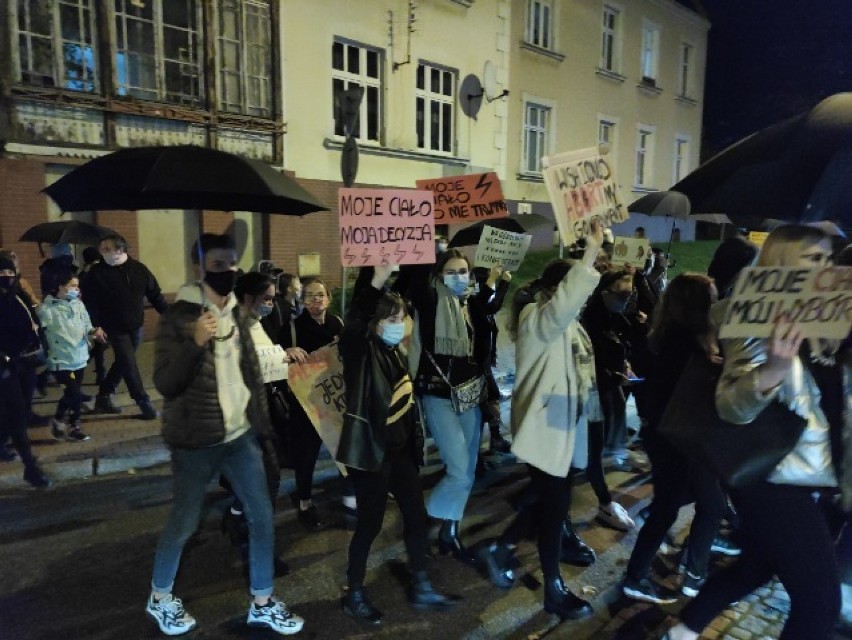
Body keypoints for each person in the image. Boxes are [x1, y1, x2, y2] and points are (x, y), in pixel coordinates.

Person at [665, 224, 850, 640]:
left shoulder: (826, 316)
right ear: (783, 263)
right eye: (814, 259)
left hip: (816, 475)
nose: (827, 268)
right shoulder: (752, 315)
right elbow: (731, 407)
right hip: (774, 477)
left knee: (757, 565)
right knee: (820, 605)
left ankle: (684, 629)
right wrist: (773, 370)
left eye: (829, 259)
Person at [146, 233, 303, 637]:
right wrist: (195, 343)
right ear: (199, 268)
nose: (228, 272)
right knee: (184, 523)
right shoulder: (177, 317)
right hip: (196, 443)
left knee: (263, 515)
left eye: (233, 264)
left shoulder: (237, 314)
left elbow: (250, 373)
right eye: (218, 265)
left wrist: (262, 427)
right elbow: (165, 382)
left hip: (240, 438)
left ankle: (263, 602)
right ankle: (160, 596)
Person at [479, 222, 605, 619]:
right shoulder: (540, 317)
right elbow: (567, 303)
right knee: (553, 507)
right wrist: (590, 253)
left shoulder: (567, 322)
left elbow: (584, 375)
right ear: (559, 290)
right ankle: (552, 589)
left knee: (551, 498)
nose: (583, 300)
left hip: (565, 425)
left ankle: (501, 548)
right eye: (576, 290)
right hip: (545, 427)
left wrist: (595, 421)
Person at [336, 265, 461, 625]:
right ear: (375, 322)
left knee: (415, 515)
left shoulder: (395, 352)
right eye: (391, 317)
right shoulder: (359, 350)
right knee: (370, 524)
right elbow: (358, 313)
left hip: (400, 451)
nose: (399, 323)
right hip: (372, 454)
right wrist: (377, 279)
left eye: (402, 317)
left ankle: (421, 583)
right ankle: (354, 592)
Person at [621, 274, 728, 604]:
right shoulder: (687, 345)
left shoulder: (665, 336)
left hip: (667, 437)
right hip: (682, 440)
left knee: (677, 505)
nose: (718, 300)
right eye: (712, 296)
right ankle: (688, 576)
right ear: (699, 305)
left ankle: (649, 574)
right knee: (707, 506)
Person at [393, 249, 491, 566]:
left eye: (463, 271)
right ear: (437, 275)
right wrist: (422, 230)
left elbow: (486, 343)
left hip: (470, 395)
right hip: (438, 394)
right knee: (460, 469)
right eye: (451, 271)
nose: (459, 277)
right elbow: (416, 276)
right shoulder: (432, 300)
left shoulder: (472, 304)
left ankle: (450, 530)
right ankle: (423, 521)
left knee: (467, 469)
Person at [222, 271, 291, 577]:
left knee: (265, 481)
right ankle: (256, 550)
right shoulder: (231, 327)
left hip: (261, 415)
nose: (271, 304)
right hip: (242, 419)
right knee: (266, 482)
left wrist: (283, 356)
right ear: (248, 298)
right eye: (267, 298)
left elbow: (267, 360)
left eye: (274, 298)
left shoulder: (256, 322)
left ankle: (237, 517)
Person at [276, 277, 342, 529]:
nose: (317, 299)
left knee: (341, 447)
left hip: (334, 399)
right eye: (311, 295)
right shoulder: (291, 329)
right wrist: (287, 353)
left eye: (321, 294)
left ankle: (347, 491)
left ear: (329, 298)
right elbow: (278, 364)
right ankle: (304, 500)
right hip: (306, 404)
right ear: (302, 301)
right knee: (307, 455)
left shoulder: (338, 323)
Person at [82, 233, 168, 419]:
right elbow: (90, 303)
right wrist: (95, 326)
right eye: (101, 249)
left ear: (120, 249)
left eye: (107, 249)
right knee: (129, 363)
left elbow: (155, 295)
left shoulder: (138, 270)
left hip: (136, 325)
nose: (102, 252)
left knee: (123, 362)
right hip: (112, 327)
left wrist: (170, 316)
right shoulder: (96, 274)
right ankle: (144, 403)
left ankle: (104, 396)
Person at [37, 266, 106, 443]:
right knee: (74, 394)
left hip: (80, 357)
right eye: (72, 286)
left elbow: (87, 326)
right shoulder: (47, 309)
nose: (76, 290)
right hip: (60, 360)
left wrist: (95, 331)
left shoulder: (79, 305)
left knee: (70, 394)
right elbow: (38, 333)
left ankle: (59, 420)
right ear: (60, 286)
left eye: (77, 286)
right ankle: (75, 428)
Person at [0, 253, 51, 488]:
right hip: (6, 366)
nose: (7, 278)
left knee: (14, 412)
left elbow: (32, 321)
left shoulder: (18, 296)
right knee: (18, 414)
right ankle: (30, 467)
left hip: (26, 362)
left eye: (10, 273)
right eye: (2, 274)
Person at [471, 265, 512, 454]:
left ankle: (495, 438)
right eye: (488, 281)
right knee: (482, 404)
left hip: (484, 363)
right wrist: (501, 281)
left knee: (491, 399)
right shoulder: (472, 303)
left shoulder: (483, 307)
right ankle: (478, 452)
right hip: (474, 365)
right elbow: (492, 305)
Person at [79, 246, 107, 386]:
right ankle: (101, 375)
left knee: (99, 345)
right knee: (100, 345)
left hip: (88, 311)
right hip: (98, 312)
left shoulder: (83, 273)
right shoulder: (98, 272)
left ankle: (100, 374)